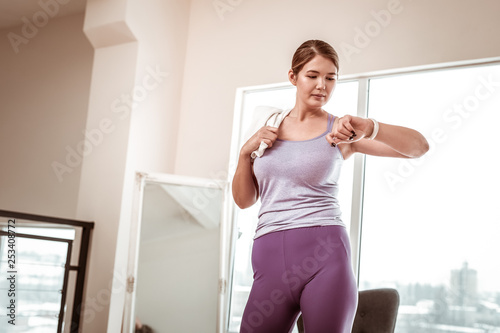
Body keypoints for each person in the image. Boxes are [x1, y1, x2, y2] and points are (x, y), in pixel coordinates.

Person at [232, 40, 429, 333]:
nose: (321, 85)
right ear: (293, 77)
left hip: (325, 257)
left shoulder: (342, 132)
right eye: (312, 75)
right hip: (269, 258)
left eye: (330, 77)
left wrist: (369, 127)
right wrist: (244, 154)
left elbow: (419, 147)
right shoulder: (265, 129)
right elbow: (244, 200)